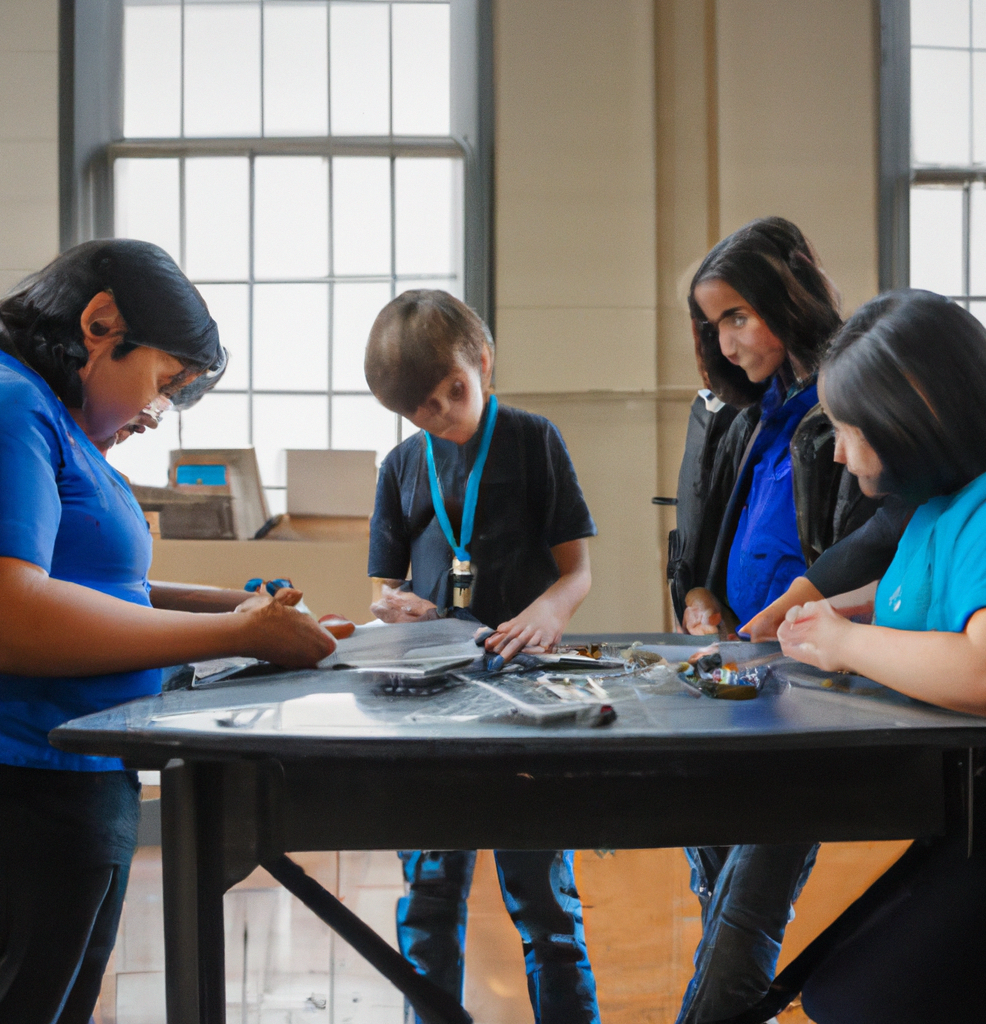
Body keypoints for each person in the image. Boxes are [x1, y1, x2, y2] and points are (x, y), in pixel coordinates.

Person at [0, 239, 335, 1024]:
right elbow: (14, 612)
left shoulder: (58, 423)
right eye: (163, 381)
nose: (157, 411)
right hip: (28, 783)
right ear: (100, 323)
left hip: (76, 777)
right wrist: (236, 637)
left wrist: (247, 614)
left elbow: (103, 589)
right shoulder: (15, 406)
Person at [777, 289, 986, 1023]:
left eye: (851, 431)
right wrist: (859, 606)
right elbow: (941, 586)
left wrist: (847, 643)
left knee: (859, 999)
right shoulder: (953, 495)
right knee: (831, 984)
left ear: (919, 414)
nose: (843, 454)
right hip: (972, 817)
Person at [364, 289, 601, 1024]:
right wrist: (390, 602)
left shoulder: (535, 441)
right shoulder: (403, 465)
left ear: (484, 362)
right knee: (430, 897)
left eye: (454, 393)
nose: (443, 414)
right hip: (427, 703)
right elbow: (384, 583)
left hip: (525, 700)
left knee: (544, 903)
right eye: (422, 409)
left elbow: (577, 570)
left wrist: (547, 611)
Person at [670, 218, 882, 1024]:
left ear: (786, 296)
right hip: (731, 676)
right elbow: (702, 540)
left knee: (744, 915)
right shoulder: (744, 413)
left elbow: (874, 541)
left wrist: (794, 609)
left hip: (811, 687)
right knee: (718, 886)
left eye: (737, 317)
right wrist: (696, 597)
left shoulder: (850, 398)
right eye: (711, 323)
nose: (724, 342)